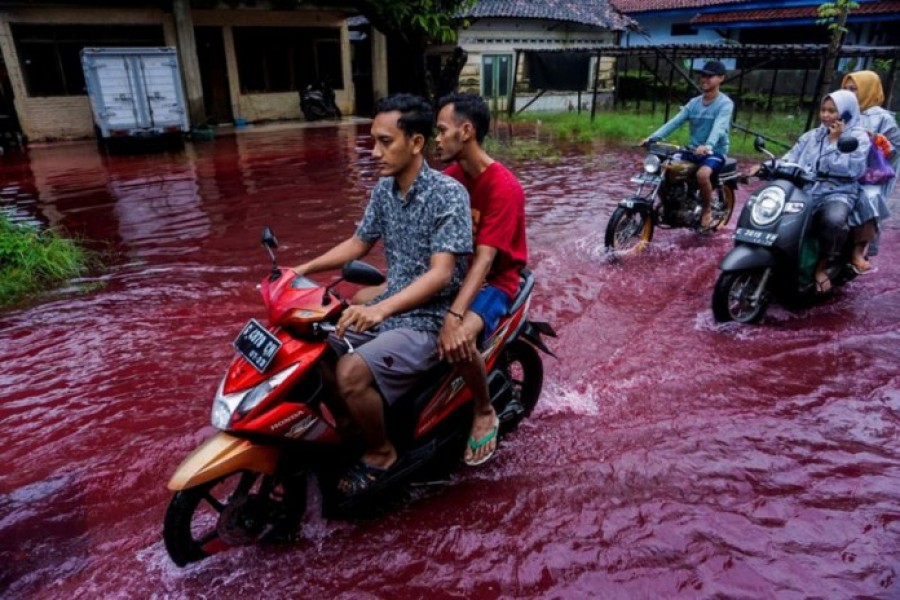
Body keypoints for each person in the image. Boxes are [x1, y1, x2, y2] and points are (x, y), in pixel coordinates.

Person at [292, 93, 472, 495]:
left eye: (384, 141)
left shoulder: (448, 195)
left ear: (417, 142)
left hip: (430, 318)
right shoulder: (384, 190)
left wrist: (380, 308)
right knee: (316, 352)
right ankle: (354, 430)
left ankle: (381, 453)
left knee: (351, 373)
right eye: (373, 140)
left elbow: (442, 274)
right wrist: (300, 270)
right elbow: (358, 244)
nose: (374, 152)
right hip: (389, 308)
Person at [434, 93, 527, 466]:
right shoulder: (450, 179)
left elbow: (486, 260)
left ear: (466, 131)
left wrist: (455, 316)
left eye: (442, 131)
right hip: (458, 272)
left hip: (496, 281)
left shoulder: (504, 187)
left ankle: (484, 408)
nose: (437, 139)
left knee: (458, 341)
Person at [779, 90, 870, 292]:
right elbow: (791, 156)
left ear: (846, 113)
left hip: (839, 191)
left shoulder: (858, 138)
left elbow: (851, 169)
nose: (826, 115)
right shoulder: (813, 135)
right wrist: (768, 165)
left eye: (832, 111)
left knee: (833, 220)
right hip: (808, 188)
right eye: (823, 110)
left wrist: (835, 142)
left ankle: (823, 266)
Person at [641, 60, 734, 230]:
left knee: (703, 175)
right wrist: (652, 138)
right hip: (692, 149)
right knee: (663, 167)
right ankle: (671, 205)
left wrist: (709, 145)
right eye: (702, 75)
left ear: (721, 78)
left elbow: (719, 127)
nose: (704, 79)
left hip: (715, 151)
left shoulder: (725, 104)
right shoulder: (694, 103)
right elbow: (674, 122)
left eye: (710, 76)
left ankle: (706, 210)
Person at [841, 70, 900, 273]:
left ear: (868, 90)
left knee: (869, 200)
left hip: (868, 176)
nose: (849, 93)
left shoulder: (883, 119)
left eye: (853, 89)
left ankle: (858, 250)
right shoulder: (842, 112)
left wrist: (876, 139)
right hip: (839, 167)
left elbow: (895, 152)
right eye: (845, 89)